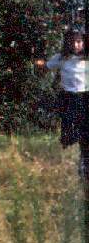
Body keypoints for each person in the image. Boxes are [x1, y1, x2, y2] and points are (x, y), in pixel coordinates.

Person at [40, 28, 87, 178]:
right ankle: (70, 160)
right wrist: (39, 64)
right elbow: (47, 67)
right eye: (73, 41)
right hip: (68, 99)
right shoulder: (61, 58)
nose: (76, 45)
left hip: (85, 97)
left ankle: (84, 163)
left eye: (79, 41)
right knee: (70, 134)